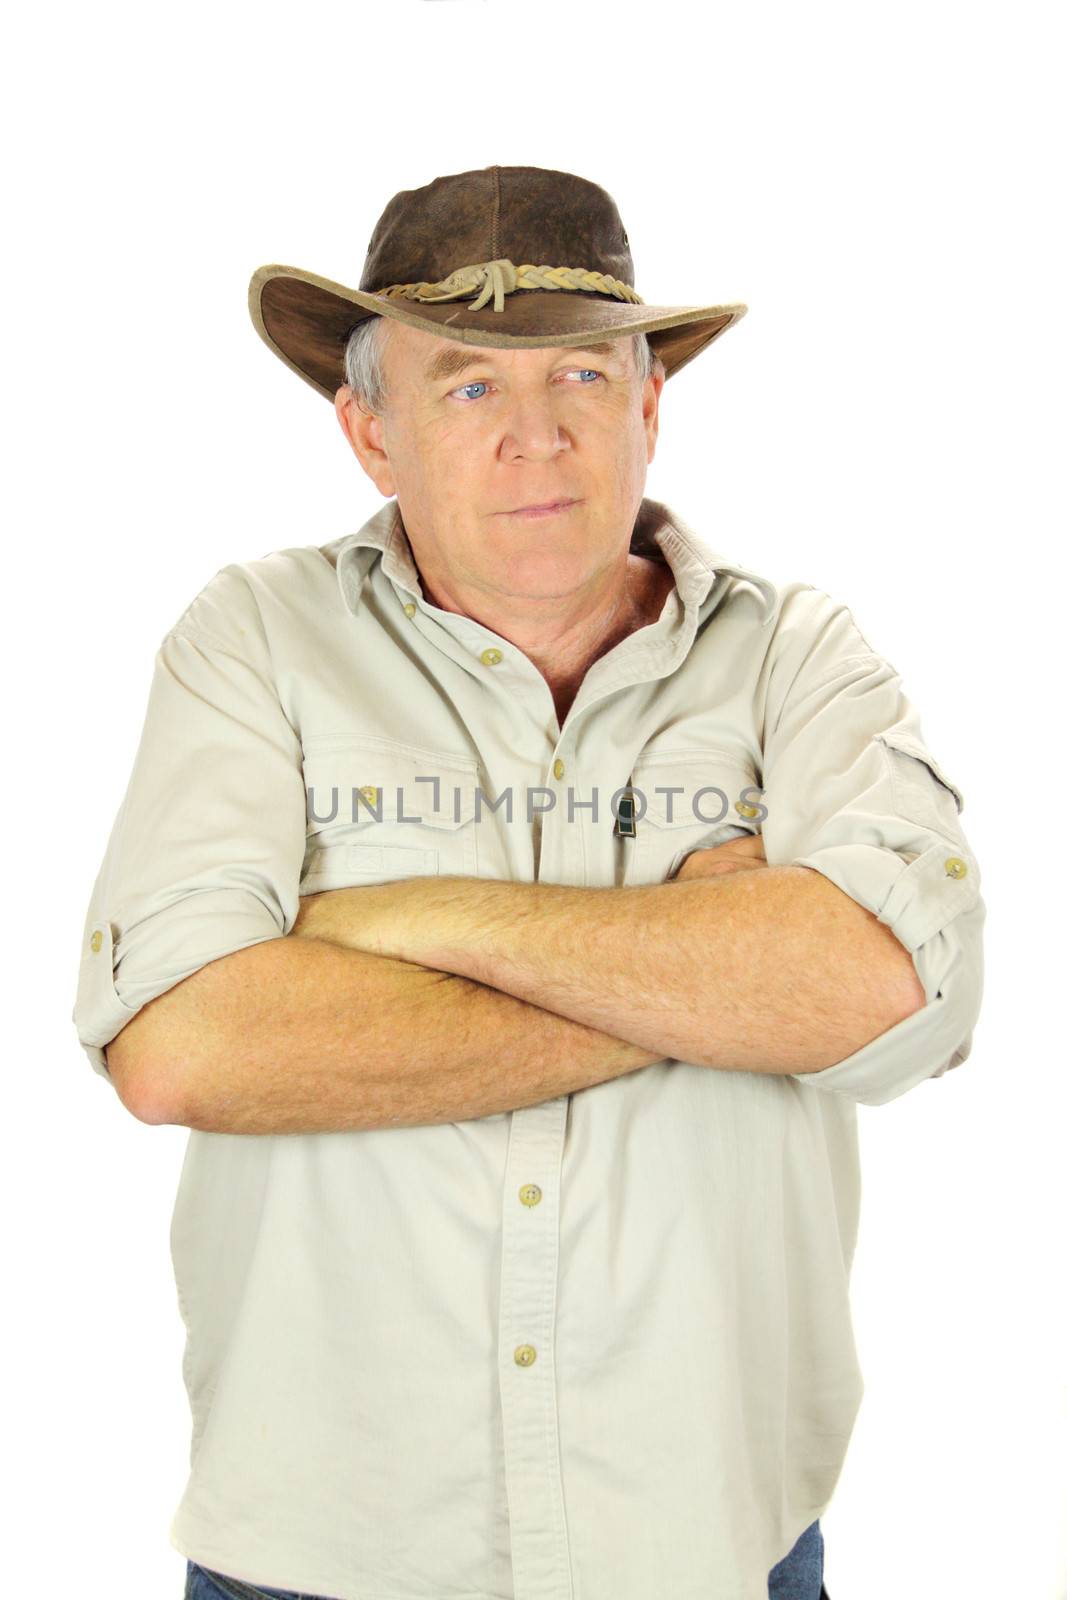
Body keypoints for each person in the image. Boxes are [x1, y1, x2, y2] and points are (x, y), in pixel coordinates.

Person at [72, 164, 985, 1600]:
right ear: (369, 432)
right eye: (467, 390)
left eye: (578, 375)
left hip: (707, 1541)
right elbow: (183, 1050)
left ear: (649, 407)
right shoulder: (251, 640)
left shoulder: (799, 655)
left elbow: (896, 993)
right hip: (323, 1552)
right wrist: (713, 972)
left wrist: (398, 922)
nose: (537, 438)